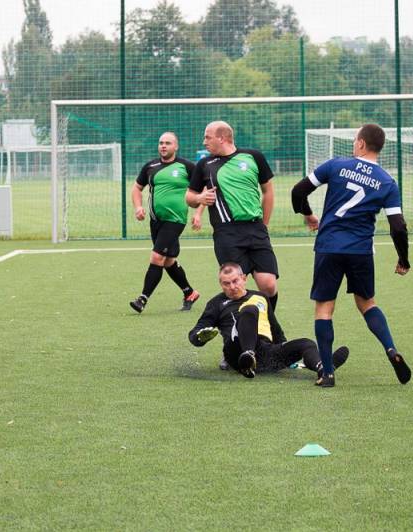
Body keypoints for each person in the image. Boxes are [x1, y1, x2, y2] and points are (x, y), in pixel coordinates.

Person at [291, 123, 411, 388]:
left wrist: (308, 215)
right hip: (360, 250)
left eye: (356, 139)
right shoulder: (387, 182)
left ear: (361, 143)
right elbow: (398, 226)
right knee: (367, 303)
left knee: (324, 308)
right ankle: (390, 348)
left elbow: (298, 191)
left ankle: (327, 373)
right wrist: (403, 259)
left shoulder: (336, 165)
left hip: (329, 247)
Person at [186, 121, 280, 369]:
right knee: (235, 288)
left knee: (268, 286)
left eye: (207, 137)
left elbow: (268, 191)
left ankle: (263, 336)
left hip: (256, 229)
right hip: (227, 233)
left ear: (222, 138)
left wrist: (264, 225)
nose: (204, 142)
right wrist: (200, 198)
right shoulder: (205, 164)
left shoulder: (253, 157)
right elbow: (189, 197)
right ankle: (233, 345)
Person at [188, 262, 349, 379]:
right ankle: (247, 356)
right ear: (220, 284)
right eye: (226, 283)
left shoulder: (261, 297)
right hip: (236, 351)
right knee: (250, 309)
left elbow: (275, 328)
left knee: (306, 343)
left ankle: (324, 368)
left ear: (244, 278)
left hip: (265, 353)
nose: (232, 286)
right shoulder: (216, 303)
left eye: (235, 281)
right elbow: (195, 333)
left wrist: (285, 348)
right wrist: (199, 338)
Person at [130, 132, 205, 313]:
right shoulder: (150, 166)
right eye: (161, 143)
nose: (163, 146)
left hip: (175, 220)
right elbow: (136, 188)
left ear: (176, 146)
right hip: (156, 220)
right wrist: (138, 207)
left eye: (168, 143)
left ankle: (142, 299)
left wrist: (198, 213)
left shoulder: (187, 166)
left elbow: (204, 190)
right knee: (168, 261)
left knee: (157, 257)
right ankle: (190, 293)